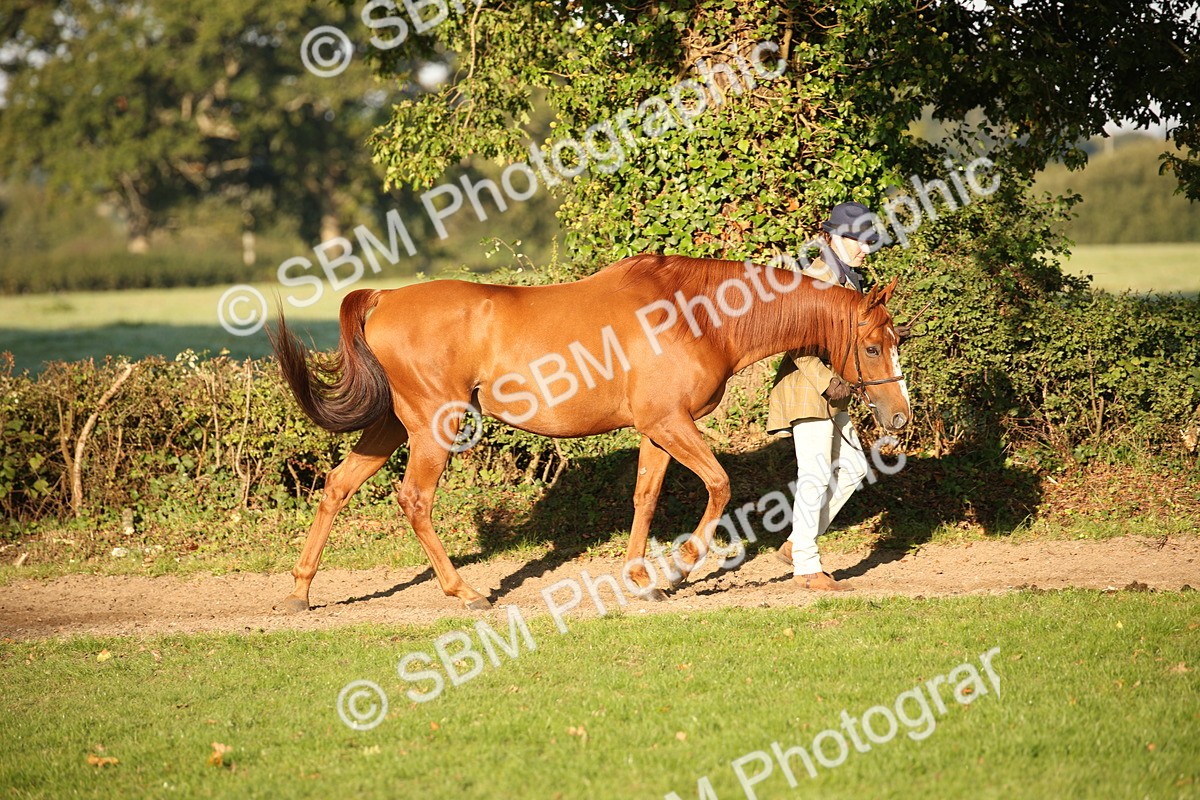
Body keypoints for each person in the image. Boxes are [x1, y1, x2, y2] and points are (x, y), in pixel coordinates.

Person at [766, 201, 882, 591]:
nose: (866, 249)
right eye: (860, 241)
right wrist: (826, 382)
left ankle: (799, 543)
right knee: (815, 473)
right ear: (834, 238)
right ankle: (807, 568)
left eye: (869, 242)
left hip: (835, 393)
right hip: (808, 387)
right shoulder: (818, 277)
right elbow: (796, 342)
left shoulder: (848, 280)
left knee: (852, 469)